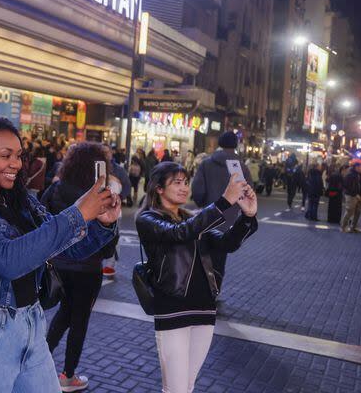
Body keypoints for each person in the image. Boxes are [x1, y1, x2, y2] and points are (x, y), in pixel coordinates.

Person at [0, 117, 118, 392]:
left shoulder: (21, 202)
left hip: (33, 326)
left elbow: (69, 248)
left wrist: (102, 223)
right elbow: (7, 260)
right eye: (5, 155)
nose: (16, 163)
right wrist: (78, 213)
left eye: (19, 156)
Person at [136, 162, 257, 393]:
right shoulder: (148, 220)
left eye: (186, 183)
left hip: (203, 310)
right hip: (173, 310)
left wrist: (247, 216)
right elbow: (179, 233)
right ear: (159, 188)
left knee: (187, 386)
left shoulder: (192, 218)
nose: (184, 188)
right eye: (176, 183)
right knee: (176, 389)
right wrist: (223, 202)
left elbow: (227, 244)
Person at [41, 142, 120, 392]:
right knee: (79, 320)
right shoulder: (99, 195)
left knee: (64, 314)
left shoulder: (55, 189)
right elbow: (108, 245)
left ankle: (38, 362)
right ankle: (68, 375)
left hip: (57, 265)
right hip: (87, 269)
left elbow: (41, 223)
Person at [191, 131, 253, 223]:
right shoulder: (241, 167)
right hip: (233, 217)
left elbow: (197, 191)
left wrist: (203, 204)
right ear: (235, 144)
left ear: (220, 143)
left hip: (209, 214)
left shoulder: (206, 164)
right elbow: (248, 193)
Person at [341, 159, 361, 233]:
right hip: (351, 196)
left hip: (358, 196)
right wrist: (355, 194)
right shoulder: (350, 174)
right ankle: (343, 227)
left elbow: (359, 186)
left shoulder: (358, 175)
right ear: (357, 167)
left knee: (358, 212)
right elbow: (346, 186)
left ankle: (353, 227)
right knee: (349, 211)